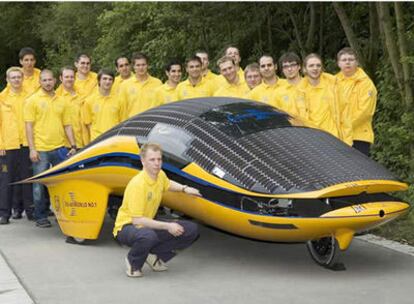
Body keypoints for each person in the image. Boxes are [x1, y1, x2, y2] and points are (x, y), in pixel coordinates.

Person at [113, 143, 201, 277]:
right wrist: (168, 226)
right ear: (143, 161)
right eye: (152, 160)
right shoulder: (138, 185)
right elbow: (137, 220)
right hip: (127, 226)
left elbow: (168, 184)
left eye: (159, 159)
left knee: (191, 230)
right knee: (148, 236)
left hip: (147, 223)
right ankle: (133, 262)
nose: (157, 163)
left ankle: (154, 255)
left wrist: (185, 189)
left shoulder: (160, 175)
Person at [24, 69, 77, 228]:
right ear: (40, 82)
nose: (47, 83)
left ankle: (64, 213)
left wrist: (73, 145)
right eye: (44, 80)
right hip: (40, 149)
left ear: (55, 81)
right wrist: (32, 149)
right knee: (39, 185)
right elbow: (28, 127)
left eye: (50, 80)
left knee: (63, 182)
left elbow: (67, 125)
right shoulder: (32, 101)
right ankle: (41, 216)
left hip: (60, 148)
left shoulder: (62, 101)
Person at [0, 67, 34, 224]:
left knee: (27, 179)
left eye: (19, 77)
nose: (16, 80)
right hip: (8, 145)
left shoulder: (30, 97)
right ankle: (4, 213)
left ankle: (30, 210)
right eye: (13, 77)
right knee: (6, 179)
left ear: (22, 79)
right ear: (7, 80)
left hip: (26, 144)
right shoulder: (2, 98)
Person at [335, 47, 377, 155]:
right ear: (338, 63)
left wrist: (344, 127)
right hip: (336, 136)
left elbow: (365, 112)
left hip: (359, 136)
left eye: (351, 59)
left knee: (358, 171)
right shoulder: (332, 82)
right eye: (344, 60)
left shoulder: (366, 84)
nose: (347, 62)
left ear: (357, 62)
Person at [300, 53, 342, 139]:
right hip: (311, 138)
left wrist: (347, 141)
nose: (315, 68)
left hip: (333, 137)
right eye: (311, 65)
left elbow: (345, 115)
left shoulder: (334, 87)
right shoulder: (299, 91)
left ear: (322, 68)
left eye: (318, 65)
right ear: (305, 69)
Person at [82, 69, 123, 141]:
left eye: (110, 79)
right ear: (99, 81)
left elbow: (122, 122)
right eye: (105, 79)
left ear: (113, 82)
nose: (107, 82)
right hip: (97, 141)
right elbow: (88, 124)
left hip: (114, 139)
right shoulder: (89, 101)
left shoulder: (119, 100)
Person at [119, 52, 162, 118]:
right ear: (133, 67)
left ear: (148, 65)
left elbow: (161, 106)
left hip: (152, 122)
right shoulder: (125, 85)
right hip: (132, 124)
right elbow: (123, 110)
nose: (141, 68)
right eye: (138, 65)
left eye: (143, 65)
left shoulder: (157, 83)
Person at [56, 66, 87, 149]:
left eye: (72, 77)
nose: (69, 79)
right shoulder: (56, 97)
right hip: (66, 144)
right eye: (66, 77)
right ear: (61, 78)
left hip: (84, 142)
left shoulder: (83, 94)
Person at [270, 52, 307, 118]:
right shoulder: (277, 93)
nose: (289, 69)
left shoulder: (310, 85)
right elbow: (275, 117)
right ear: (282, 70)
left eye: (292, 65)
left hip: (314, 127)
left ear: (299, 66)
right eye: (285, 66)